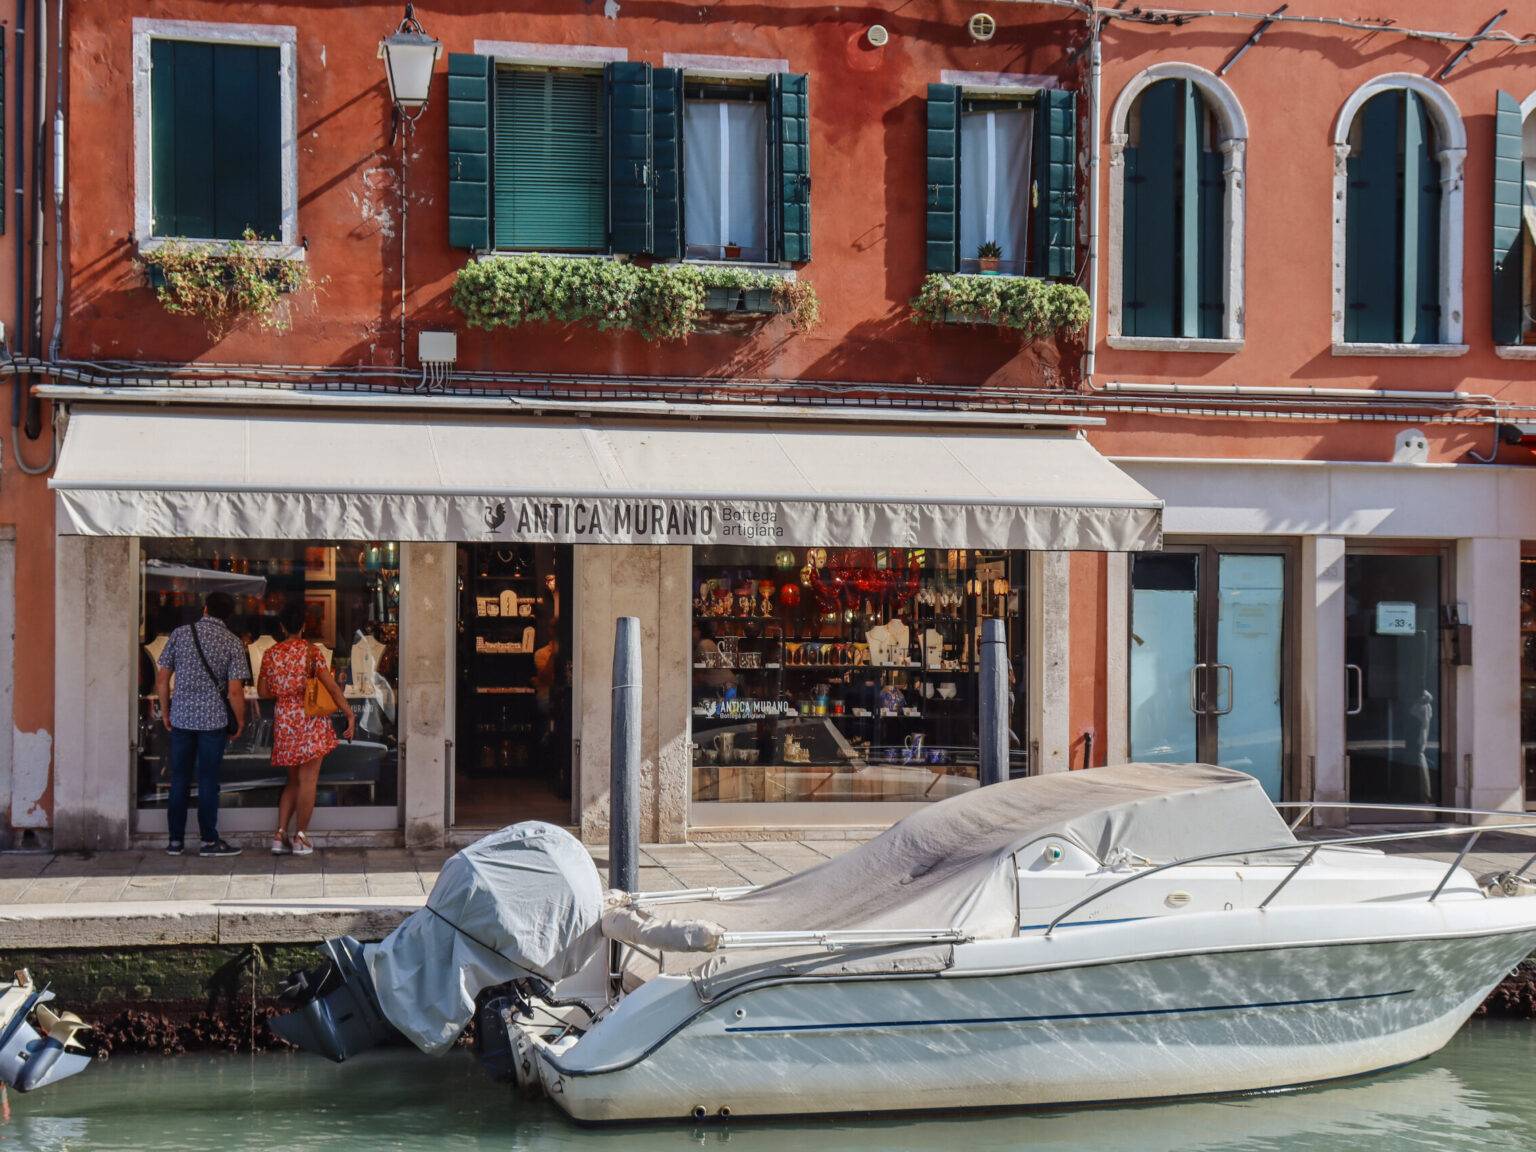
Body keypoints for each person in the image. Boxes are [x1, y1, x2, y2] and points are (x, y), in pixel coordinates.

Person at [155, 591, 249, 857]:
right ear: (229, 615)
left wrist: (165, 712)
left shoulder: (180, 634)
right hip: (213, 721)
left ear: (205, 608)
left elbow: (162, 680)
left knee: (179, 779)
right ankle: (209, 841)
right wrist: (239, 721)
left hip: (181, 718)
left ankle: (175, 841)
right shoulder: (232, 642)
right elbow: (234, 691)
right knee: (208, 780)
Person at [259, 602, 355, 856]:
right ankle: (301, 837)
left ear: (281, 626)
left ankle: (280, 835)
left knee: (293, 781)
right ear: (302, 626)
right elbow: (332, 687)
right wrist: (348, 712)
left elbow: (263, 691)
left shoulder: (271, 654)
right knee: (308, 779)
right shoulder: (312, 653)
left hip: (285, 719)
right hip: (310, 719)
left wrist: (284, 691)